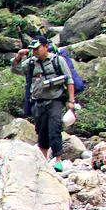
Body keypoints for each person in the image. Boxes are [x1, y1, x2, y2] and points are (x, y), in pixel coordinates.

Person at [12, 36, 76, 172]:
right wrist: (18, 56)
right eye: (33, 49)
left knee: (55, 128)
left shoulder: (57, 60)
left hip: (55, 99)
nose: (35, 51)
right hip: (38, 101)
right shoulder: (30, 63)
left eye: (37, 48)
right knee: (41, 131)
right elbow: (15, 69)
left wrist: (71, 101)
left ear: (46, 47)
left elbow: (69, 80)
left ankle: (58, 160)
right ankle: (43, 160)